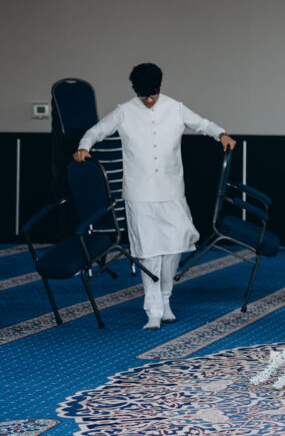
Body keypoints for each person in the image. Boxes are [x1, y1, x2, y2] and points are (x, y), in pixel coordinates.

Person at [73, 63, 235, 330]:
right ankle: (153, 310)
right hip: (139, 194)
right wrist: (83, 147)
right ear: (134, 90)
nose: (148, 101)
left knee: (173, 247)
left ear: (160, 86)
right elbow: (95, 131)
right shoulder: (124, 111)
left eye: (152, 95)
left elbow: (202, 124)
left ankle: (166, 299)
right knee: (148, 252)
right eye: (142, 96)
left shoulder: (175, 107)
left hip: (172, 191)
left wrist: (221, 134)